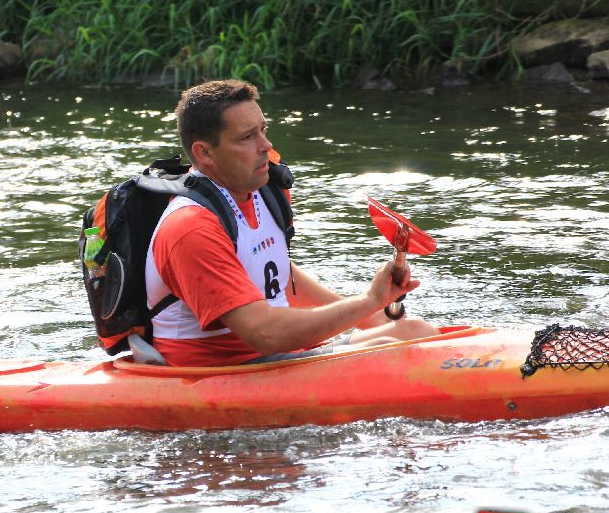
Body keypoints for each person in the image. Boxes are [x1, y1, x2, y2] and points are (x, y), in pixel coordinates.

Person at [144, 79, 439, 367]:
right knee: (386, 353)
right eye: (247, 138)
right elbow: (264, 333)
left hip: (273, 356)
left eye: (263, 130)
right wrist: (368, 300)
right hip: (222, 370)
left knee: (414, 332)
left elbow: (277, 275)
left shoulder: (268, 191)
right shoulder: (191, 228)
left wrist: (373, 313)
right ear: (204, 153)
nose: (266, 145)